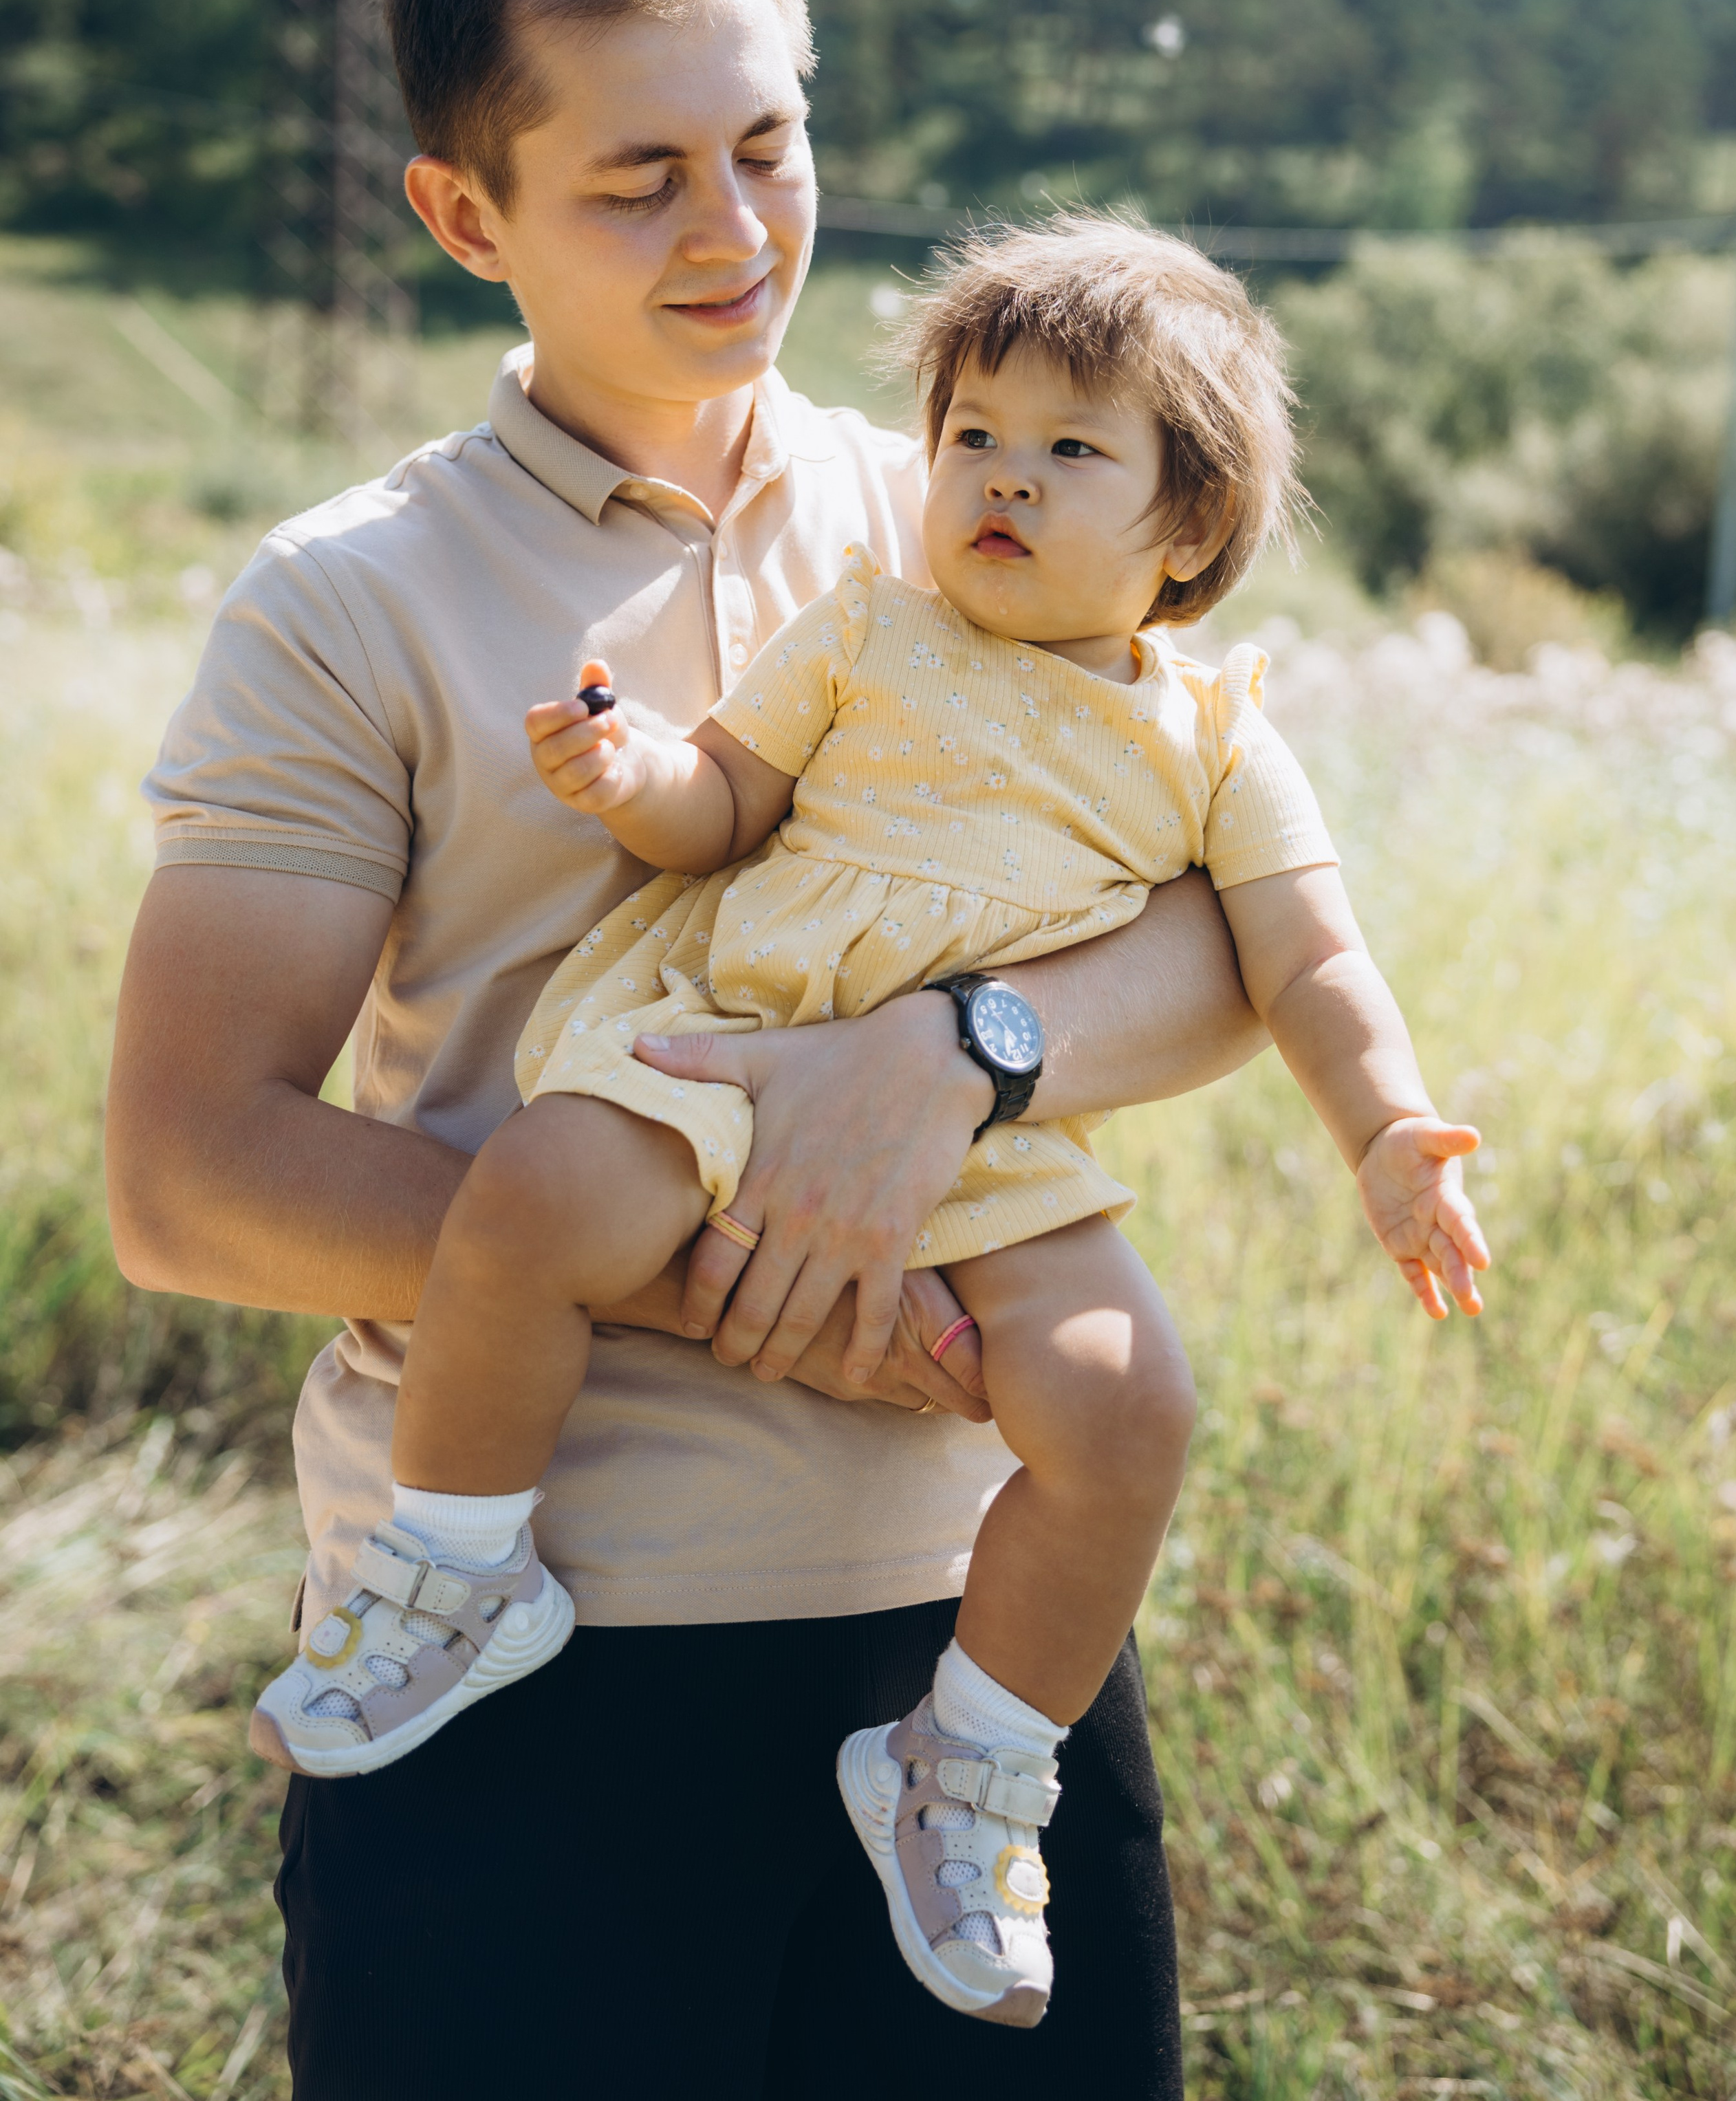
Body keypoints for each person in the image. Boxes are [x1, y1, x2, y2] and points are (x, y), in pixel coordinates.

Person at [106, 0, 1270, 2098]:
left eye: (767, 145)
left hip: (975, 1683)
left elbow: (1234, 933)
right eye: (638, 179)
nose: (735, 233)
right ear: (471, 219)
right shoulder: (345, 602)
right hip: (522, 1668)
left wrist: (962, 1055)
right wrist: (714, 1259)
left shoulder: (985, 508)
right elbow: (190, 1176)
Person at [249, 215, 1490, 2029]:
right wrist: (630, 771)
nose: (1004, 476)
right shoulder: (866, 633)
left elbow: (1305, 961)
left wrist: (1388, 1127)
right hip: (738, 1040)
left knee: (1129, 1401)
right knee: (523, 1202)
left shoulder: (1215, 740)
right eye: (976, 434)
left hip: (990, 1147)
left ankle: (968, 1758)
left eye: (1075, 450)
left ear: (1192, 528)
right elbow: (722, 802)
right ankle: (452, 1566)